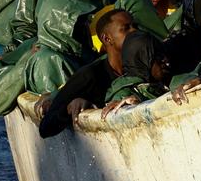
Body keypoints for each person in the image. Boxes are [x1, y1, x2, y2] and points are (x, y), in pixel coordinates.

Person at [37, 8, 137, 138]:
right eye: (126, 28)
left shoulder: (145, 64)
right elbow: (46, 127)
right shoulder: (89, 75)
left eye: (135, 26)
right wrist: (71, 107)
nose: (134, 31)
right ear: (107, 39)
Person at [101, 31, 173, 117]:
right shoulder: (124, 91)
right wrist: (133, 106)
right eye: (158, 57)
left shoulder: (164, 80)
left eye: (163, 54)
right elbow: (118, 107)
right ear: (142, 60)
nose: (166, 62)